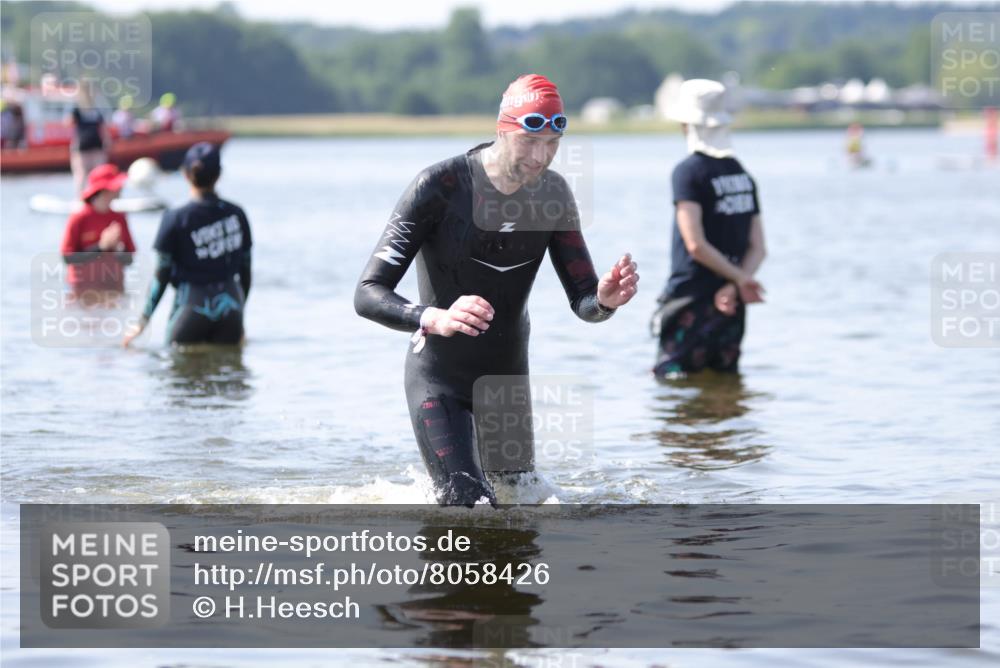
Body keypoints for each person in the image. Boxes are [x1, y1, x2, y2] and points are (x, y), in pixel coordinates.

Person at [354, 74, 639, 507]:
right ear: (503, 129)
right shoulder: (439, 187)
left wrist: (604, 301)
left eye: (553, 144)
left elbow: (583, 301)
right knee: (469, 506)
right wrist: (436, 317)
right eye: (530, 141)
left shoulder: (553, 194)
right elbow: (368, 292)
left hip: (506, 385)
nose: (541, 157)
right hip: (439, 379)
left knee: (522, 511)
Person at [652, 79, 766, 378]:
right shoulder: (742, 174)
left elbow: (695, 245)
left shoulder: (688, 172)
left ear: (685, 124)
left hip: (692, 299)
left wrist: (739, 280)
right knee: (725, 382)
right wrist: (737, 283)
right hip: (732, 301)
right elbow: (759, 247)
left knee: (672, 386)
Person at [123, 142, 252, 347]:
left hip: (191, 306)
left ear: (185, 174)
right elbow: (245, 272)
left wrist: (142, 322)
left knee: (177, 370)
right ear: (219, 175)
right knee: (229, 374)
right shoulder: (237, 214)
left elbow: (161, 275)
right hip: (231, 307)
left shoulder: (175, 218)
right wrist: (239, 316)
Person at [60, 164, 136, 301]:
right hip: (82, 292)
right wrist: (101, 247)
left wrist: (118, 248)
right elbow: (68, 258)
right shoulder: (79, 218)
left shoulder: (119, 218)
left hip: (114, 290)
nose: (121, 187)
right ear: (104, 189)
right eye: (117, 185)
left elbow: (129, 260)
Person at [66, 89, 111, 196]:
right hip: (84, 145)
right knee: (82, 174)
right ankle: (83, 198)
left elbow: (103, 128)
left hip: (93, 146)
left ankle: (97, 197)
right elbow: (68, 123)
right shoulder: (80, 110)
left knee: (95, 174)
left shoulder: (92, 110)